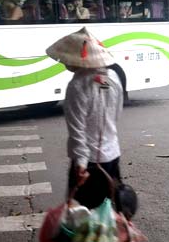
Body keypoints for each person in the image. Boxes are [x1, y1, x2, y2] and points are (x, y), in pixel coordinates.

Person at [45, 27, 124, 210]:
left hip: (88, 164)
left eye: (66, 58)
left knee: (83, 219)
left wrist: (81, 165)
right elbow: (116, 114)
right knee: (109, 214)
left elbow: (77, 131)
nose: (64, 63)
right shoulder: (113, 77)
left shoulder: (78, 85)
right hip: (112, 157)